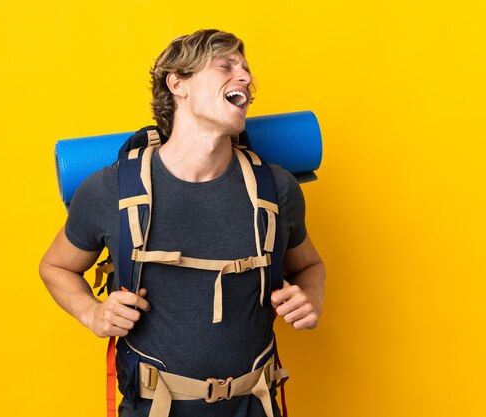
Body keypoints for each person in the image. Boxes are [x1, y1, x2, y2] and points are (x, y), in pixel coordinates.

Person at [39, 29, 326, 417]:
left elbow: (310, 266)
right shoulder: (110, 191)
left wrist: (311, 297)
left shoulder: (277, 189)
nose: (245, 78)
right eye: (226, 66)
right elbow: (54, 266)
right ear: (178, 84)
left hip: (255, 405)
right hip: (153, 408)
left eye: (246, 70)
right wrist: (92, 313)